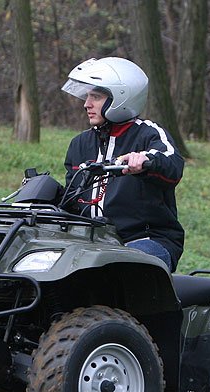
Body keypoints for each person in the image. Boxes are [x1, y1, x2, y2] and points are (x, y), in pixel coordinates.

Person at [61, 57, 185, 272]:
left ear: (120, 99)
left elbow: (172, 164)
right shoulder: (80, 144)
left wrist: (146, 161)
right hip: (91, 241)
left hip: (146, 239)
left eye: (96, 97)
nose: (86, 104)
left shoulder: (148, 133)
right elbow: (72, 198)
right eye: (87, 96)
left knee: (118, 270)